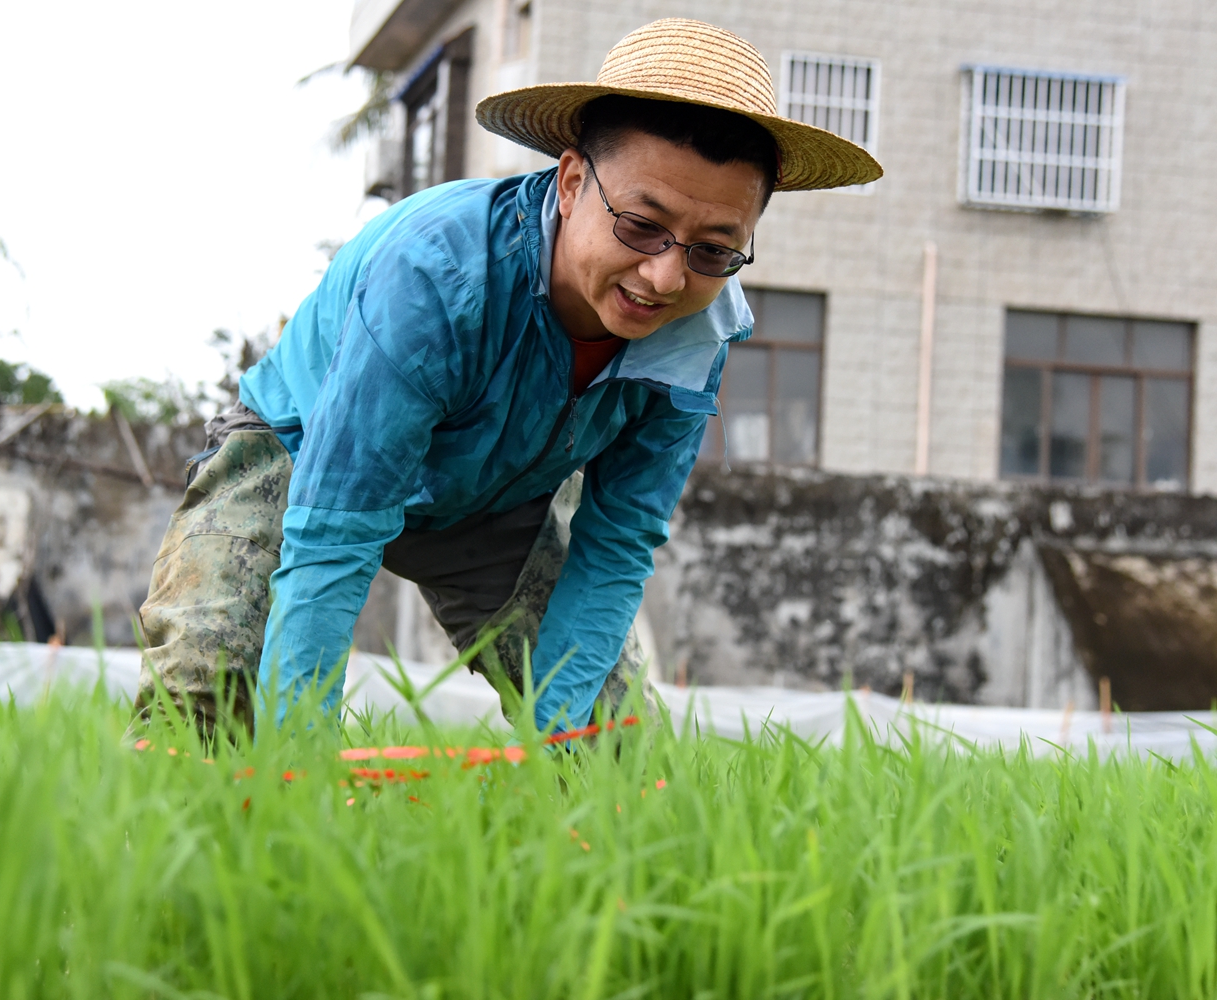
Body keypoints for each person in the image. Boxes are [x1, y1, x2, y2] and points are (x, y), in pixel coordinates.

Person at [135, 18, 881, 737]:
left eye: (714, 249)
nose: (664, 276)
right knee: (199, 704)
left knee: (610, 745)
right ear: (571, 181)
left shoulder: (700, 329)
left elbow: (617, 541)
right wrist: (297, 766)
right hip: (300, 457)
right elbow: (336, 529)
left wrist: (562, 734)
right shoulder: (436, 274)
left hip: (488, 508)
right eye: (640, 225)